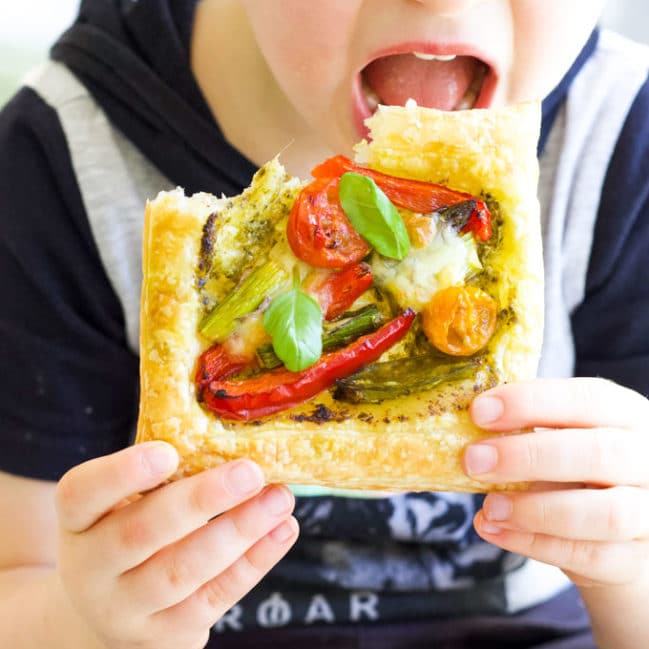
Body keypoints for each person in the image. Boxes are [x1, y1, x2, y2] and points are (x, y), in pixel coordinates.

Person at [1, 0, 648, 647]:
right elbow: (16, 580)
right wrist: (82, 623)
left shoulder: (621, 133)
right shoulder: (60, 156)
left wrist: (631, 569)